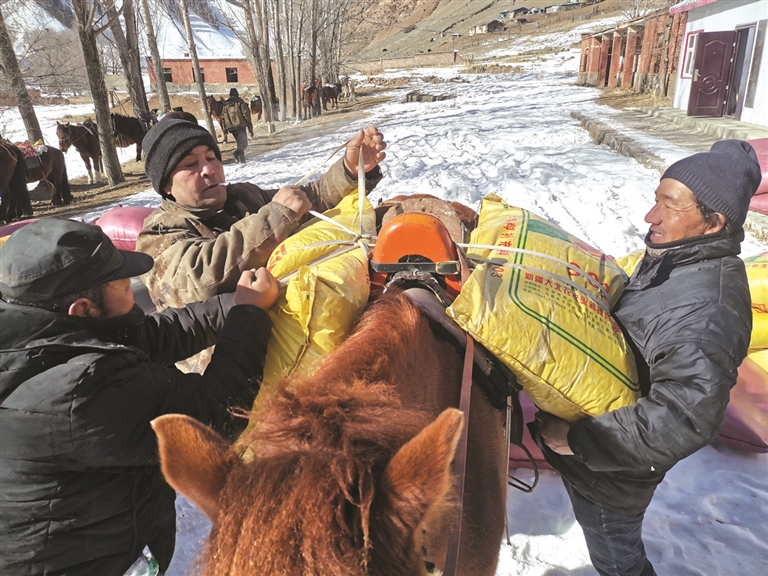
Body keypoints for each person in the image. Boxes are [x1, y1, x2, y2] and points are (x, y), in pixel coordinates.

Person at [534, 139, 762, 576]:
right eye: (655, 199)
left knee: (618, 561)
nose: (649, 216)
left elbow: (686, 416)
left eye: (670, 206)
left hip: (613, 474)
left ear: (714, 223)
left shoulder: (706, 309)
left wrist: (579, 441)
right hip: (605, 453)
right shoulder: (678, 259)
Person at [0, 218, 279, 575]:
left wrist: (237, 307)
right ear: (83, 308)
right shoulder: (77, 392)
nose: (135, 296)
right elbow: (207, 419)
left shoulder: (42, 330)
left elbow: (153, 334)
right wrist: (250, 319)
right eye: (127, 289)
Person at [136, 115, 386, 315]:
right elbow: (199, 279)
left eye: (211, 158)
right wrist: (276, 217)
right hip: (222, 365)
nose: (209, 170)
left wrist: (349, 171)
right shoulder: (158, 234)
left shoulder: (243, 197)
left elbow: (310, 199)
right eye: (190, 164)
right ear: (166, 185)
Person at [221, 87, 253, 163]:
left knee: (240, 143)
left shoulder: (226, 104)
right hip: (240, 125)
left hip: (231, 127)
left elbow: (222, 117)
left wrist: (225, 128)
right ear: (237, 94)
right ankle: (236, 154)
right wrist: (249, 124)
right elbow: (246, 113)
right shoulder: (240, 102)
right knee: (244, 143)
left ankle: (242, 160)